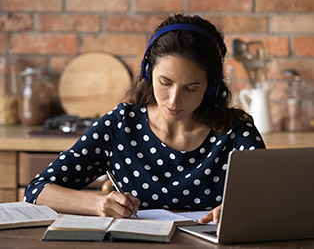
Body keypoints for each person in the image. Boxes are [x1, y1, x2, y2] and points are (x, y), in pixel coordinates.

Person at [24, 14, 265, 225]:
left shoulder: (236, 132)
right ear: (148, 74)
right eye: (165, 83)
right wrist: (97, 204)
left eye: (191, 88)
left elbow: (270, 198)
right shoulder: (120, 125)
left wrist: (241, 211)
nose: (173, 100)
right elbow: (36, 191)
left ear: (211, 87)